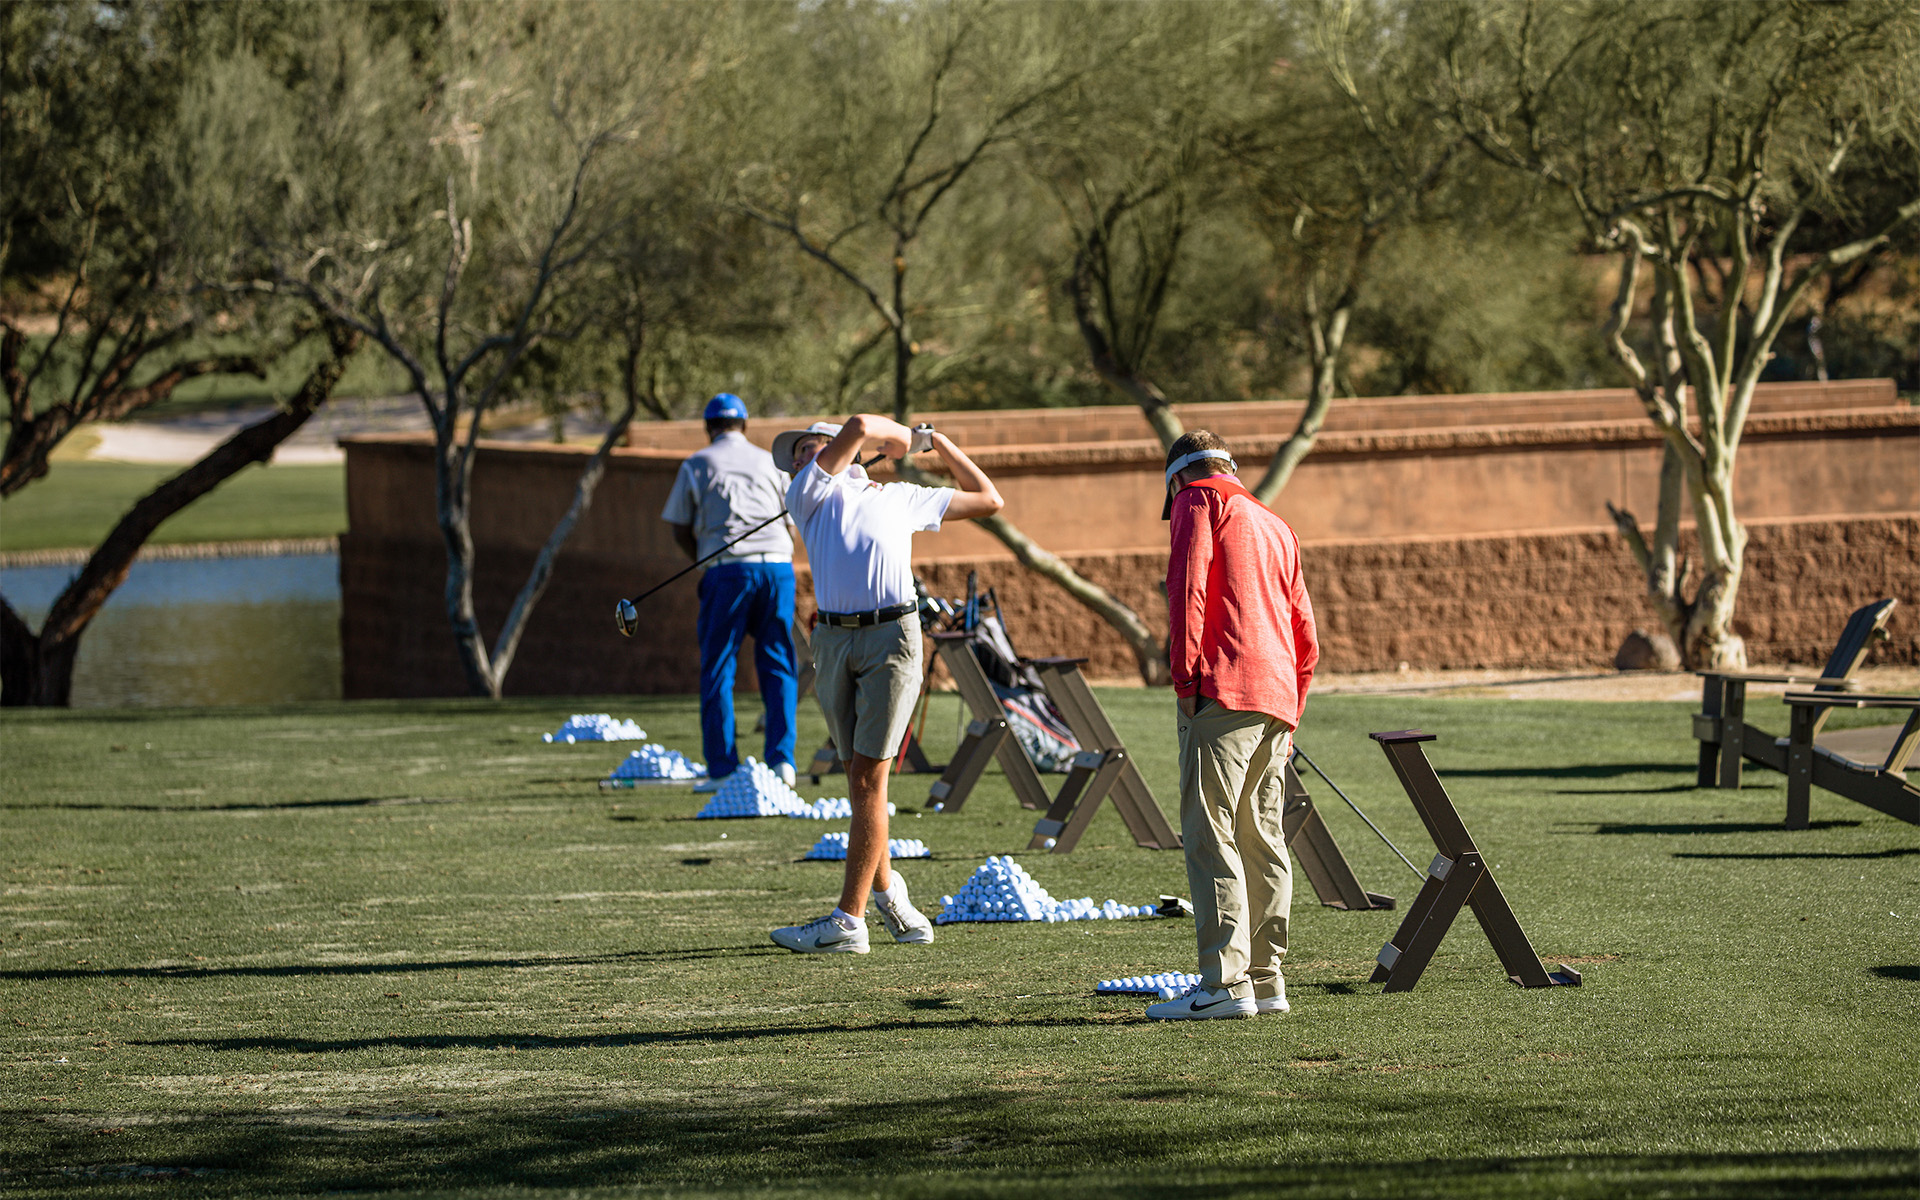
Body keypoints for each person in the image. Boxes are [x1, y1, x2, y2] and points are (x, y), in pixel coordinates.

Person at [765, 414, 1003, 953]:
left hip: (893, 639)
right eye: (797, 455)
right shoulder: (807, 493)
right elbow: (859, 423)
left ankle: (848, 922)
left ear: (845, 453)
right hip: (832, 640)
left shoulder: (899, 497)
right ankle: (892, 896)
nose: (800, 460)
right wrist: (908, 439)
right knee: (858, 778)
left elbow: (988, 499)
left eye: (807, 448)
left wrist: (937, 443)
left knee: (870, 778)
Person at [1147, 429, 1319, 1020]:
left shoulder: (1198, 500)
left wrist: (1185, 679)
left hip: (1221, 687)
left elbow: (1186, 588)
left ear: (1177, 479)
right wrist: (1294, 705)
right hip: (1276, 697)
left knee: (1210, 831)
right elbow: (1305, 632)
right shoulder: (1276, 521)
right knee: (1261, 835)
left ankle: (1223, 984)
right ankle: (1268, 981)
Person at [660, 393, 799, 791]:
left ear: (708, 427)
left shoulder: (697, 463)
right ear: (745, 425)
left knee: (719, 667)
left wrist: (703, 558)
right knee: (778, 664)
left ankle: (722, 769)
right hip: (777, 568)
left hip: (728, 571)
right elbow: (792, 524)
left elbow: (678, 526)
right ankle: (782, 763)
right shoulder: (770, 462)